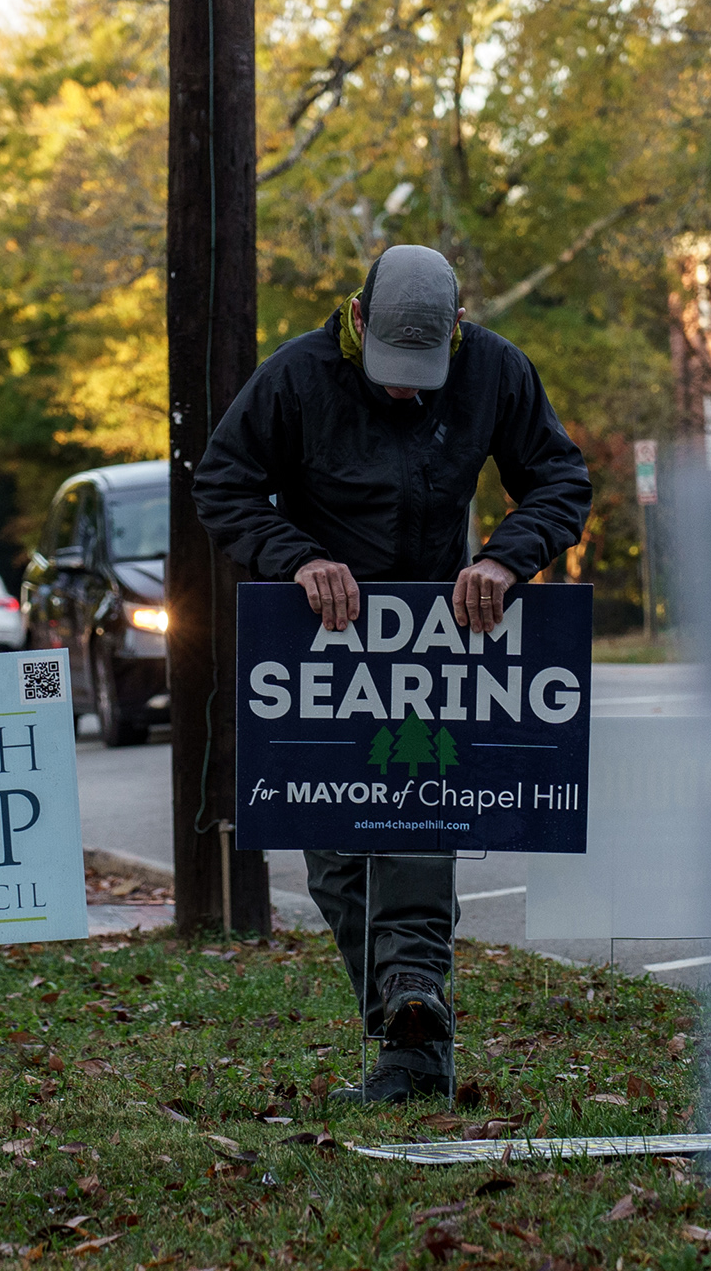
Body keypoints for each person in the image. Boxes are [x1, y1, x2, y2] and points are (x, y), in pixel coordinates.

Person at [192, 245, 592, 1103]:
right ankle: (409, 1027)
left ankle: (414, 1024)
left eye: (426, 369)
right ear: (358, 319)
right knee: (336, 861)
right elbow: (222, 485)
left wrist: (505, 562)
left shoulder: (495, 371)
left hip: (433, 645)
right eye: (390, 369)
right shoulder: (295, 378)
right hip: (321, 647)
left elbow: (559, 478)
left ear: (457, 327)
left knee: (414, 832)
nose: (407, 389)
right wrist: (295, 557)